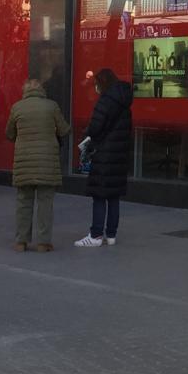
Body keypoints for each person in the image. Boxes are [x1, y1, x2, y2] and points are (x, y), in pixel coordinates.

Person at [7, 78, 69, 252]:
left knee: (23, 202)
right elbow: (64, 129)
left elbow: (9, 133)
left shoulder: (17, 107)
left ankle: (21, 241)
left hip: (24, 161)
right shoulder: (52, 106)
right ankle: (43, 242)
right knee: (45, 203)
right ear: (42, 90)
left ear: (25, 90)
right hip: (46, 162)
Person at [75, 69, 132, 248]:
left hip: (104, 154)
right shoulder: (125, 102)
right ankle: (111, 235)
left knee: (99, 195)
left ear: (102, 83)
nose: (96, 87)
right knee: (114, 196)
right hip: (119, 155)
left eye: (96, 84)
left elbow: (95, 127)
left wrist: (87, 135)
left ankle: (96, 235)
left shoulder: (105, 101)